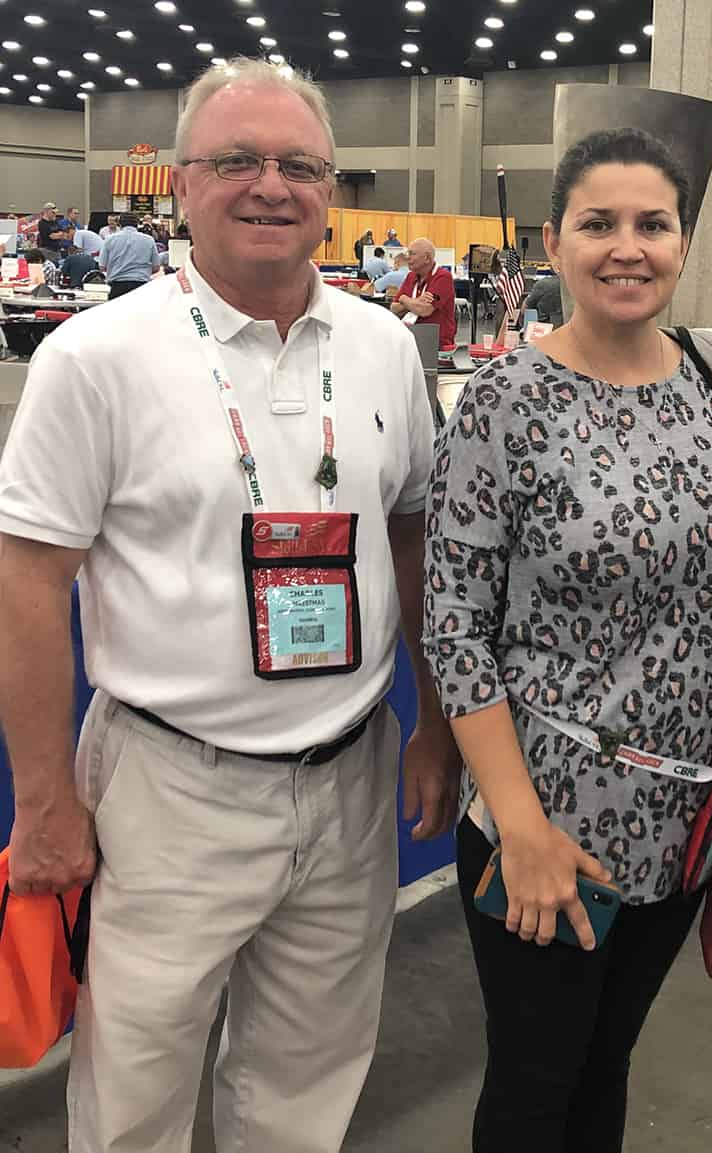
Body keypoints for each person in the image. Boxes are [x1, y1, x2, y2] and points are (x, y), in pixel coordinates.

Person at [0, 56, 459, 1153]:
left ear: (331, 190)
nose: (270, 185)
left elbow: (414, 536)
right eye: (236, 160)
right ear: (179, 181)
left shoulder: (385, 346)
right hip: (169, 788)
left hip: (348, 774)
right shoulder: (97, 357)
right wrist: (46, 801)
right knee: (136, 1088)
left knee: (307, 1078)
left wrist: (434, 723)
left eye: (299, 164)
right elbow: (28, 581)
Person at [423, 127, 712, 1153]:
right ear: (553, 240)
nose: (629, 247)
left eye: (653, 224)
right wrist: (523, 828)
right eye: (599, 223)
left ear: (683, 238)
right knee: (538, 1081)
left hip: (687, 818)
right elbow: (455, 627)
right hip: (554, 820)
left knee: (606, 1064)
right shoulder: (503, 402)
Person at [389, 236, 457, 352]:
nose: (407, 257)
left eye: (412, 254)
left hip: (436, 345)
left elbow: (424, 310)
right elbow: (394, 308)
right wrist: (416, 301)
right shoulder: (411, 276)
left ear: (426, 258)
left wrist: (404, 299)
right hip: (410, 340)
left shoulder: (443, 277)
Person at [98, 213, 167, 298]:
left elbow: (102, 267)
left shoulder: (109, 239)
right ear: (138, 224)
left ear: (119, 224)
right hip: (141, 287)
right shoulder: (149, 240)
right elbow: (156, 267)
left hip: (117, 287)